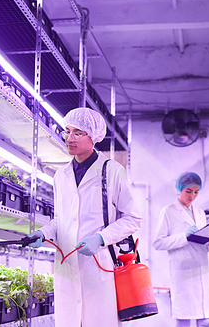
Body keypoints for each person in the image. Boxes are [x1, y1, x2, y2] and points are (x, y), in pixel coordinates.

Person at [27, 107, 142, 327]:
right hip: (67, 267)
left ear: (94, 136)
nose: (69, 138)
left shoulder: (112, 171)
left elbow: (132, 218)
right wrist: (44, 233)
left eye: (77, 133)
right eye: (67, 131)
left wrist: (100, 238)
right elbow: (61, 220)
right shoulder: (61, 176)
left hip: (99, 267)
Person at [153, 172, 209, 327]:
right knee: (183, 321)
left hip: (201, 271)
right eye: (188, 191)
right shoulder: (169, 211)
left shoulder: (200, 213)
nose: (192, 196)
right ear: (180, 189)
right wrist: (183, 236)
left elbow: (203, 245)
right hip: (183, 274)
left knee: (206, 320)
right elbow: (158, 243)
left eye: (196, 192)